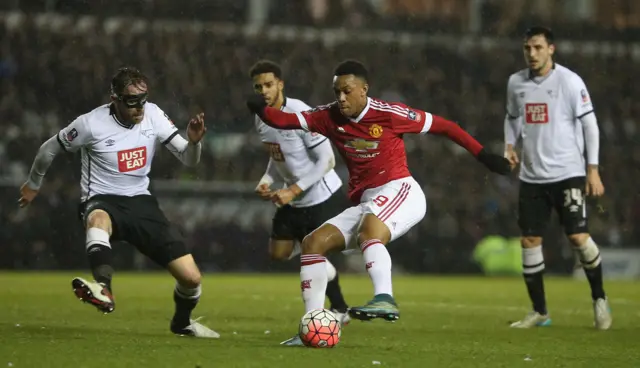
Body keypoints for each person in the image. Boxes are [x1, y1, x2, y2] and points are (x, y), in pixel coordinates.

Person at [245, 59, 511, 339]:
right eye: (337, 92)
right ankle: (311, 326)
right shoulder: (328, 116)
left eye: (347, 91)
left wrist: (484, 156)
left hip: (400, 190)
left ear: (364, 90)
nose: (341, 98)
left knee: (369, 230)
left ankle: (384, 297)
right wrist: (261, 108)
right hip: (367, 200)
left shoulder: (389, 114)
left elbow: (445, 127)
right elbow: (283, 120)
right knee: (313, 243)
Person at [19, 67, 219, 338]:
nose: (139, 108)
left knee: (192, 278)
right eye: (132, 101)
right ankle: (103, 287)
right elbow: (49, 148)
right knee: (97, 219)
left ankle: (182, 323)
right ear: (115, 98)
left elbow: (189, 160)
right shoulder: (90, 124)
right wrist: (33, 184)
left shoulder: (154, 115)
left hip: (141, 202)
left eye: (143, 99)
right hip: (102, 198)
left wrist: (194, 143)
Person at [503, 26, 611, 330]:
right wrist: (509, 146)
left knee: (578, 237)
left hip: (568, 173)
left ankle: (600, 299)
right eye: (527, 48)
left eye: (538, 47)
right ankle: (540, 311)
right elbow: (511, 117)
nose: (532, 54)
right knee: (529, 240)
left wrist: (593, 169)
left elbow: (590, 126)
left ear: (551, 49)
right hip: (532, 176)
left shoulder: (570, 81)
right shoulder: (516, 83)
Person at [249, 60, 351, 344]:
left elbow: (327, 161)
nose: (264, 91)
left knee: (311, 255)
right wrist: (266, 179)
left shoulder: (301, 113)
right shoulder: (261, 117)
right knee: (279, 253)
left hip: (322, 198)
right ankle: (338, 305)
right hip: (293, 198)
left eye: (268, 84)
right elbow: (277, 154)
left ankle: (326, 317)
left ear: (280, 84)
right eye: (258, 87)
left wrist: (293, 190)